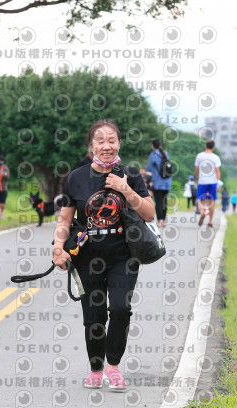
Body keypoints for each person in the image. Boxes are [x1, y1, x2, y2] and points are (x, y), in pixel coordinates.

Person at [53, 118, 154, 392]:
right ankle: (96, 369)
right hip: (87, 258)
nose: (106, 146)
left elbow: (149, 213)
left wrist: (125, 189)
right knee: (94, 316)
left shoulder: (130, 174)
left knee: (120, 309)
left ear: (119, 143)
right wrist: (58, 247)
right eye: (100, 141)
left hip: (124, 256)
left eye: (111, 140)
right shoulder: (76, 178)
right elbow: (65, 218)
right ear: (92, 145)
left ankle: (114, 367)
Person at [194, 139, 222, 227]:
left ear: (205, 146)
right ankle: (210, 221)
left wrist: (197, 179)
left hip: (202, 181)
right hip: (213, 182)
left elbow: (197, 169)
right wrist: (218, 183)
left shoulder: (199, 156)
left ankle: (203, 212)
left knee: (202, 201)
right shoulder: (216, 157)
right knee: (212, 201)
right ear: (213, 147)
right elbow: (217, 170)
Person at [145, 139, 172, 227]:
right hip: (167, 181)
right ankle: (164, 221)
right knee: (164, 201)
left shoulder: (153, 155)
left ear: (153, 146)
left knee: (158, 202)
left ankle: (159, 221)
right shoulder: (166, 153)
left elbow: (149, 168)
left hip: (157, 182)